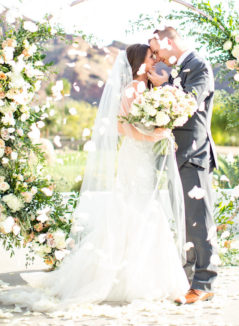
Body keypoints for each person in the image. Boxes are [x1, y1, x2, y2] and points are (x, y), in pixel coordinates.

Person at [0, 44, 189, 312]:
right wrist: (159, 134)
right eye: (151, 56)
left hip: (143, 158)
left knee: (144, 209)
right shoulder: (132, 90)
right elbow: (124, 128)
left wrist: (161, 124)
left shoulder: (147, 90)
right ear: (138, 63)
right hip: (135, 158)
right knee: (137, 210)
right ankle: (128, 278)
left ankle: (142, 274)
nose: (155, 60)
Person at [149, 27, 218, 305]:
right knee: (185, 220)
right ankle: (189, 279)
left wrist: (163, 87)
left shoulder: (199, 65)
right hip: (177, 154)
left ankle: (204, 282)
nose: (157, 56)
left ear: (170, 41)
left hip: (194, 153)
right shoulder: (179, 68)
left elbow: (187, 104)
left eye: (157, 49)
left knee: (200, 220)